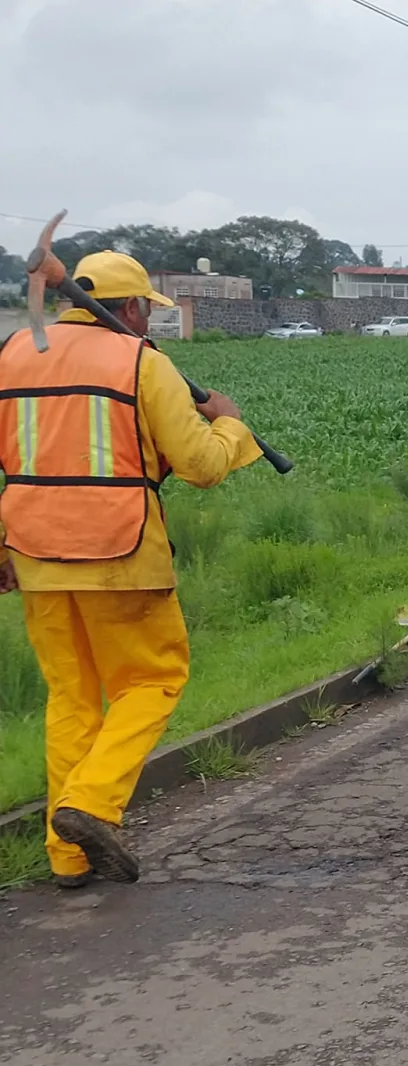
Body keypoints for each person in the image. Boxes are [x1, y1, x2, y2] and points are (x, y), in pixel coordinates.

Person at [0, 252, 262, 888]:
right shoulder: (142, 362)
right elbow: (198, 465)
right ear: (135, 308)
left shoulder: (10, 355)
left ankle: (69, 858)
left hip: (35, 554)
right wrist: (229, 424)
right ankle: (89, 806)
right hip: (121, 556)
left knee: (71, 698)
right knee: (152, 681)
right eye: (148, 311)